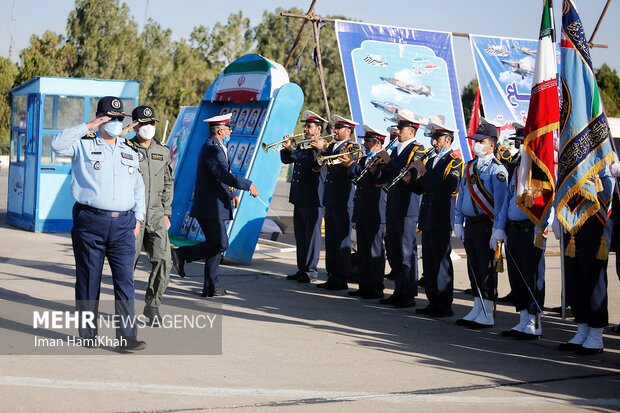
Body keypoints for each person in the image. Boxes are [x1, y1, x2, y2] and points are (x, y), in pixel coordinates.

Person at [50, 96, 146, 351]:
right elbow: (56, 145)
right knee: (88, 278)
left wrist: (139, 218)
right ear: (100, 118)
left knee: (125, 281)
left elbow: (138, 187)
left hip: (124, 224)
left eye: (118, 118)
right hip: (90, 221)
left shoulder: (128, 151)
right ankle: (88, 333)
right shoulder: (82, 146)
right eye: (109, 117)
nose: (114, 122)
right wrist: (88, 126)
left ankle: (127, 337)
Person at [170, 114, 259, 297]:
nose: (231, 131)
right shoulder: (213, 149)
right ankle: (182, 254)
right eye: (228, 128)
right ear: (220, 131)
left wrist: (232, 193)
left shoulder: (217, 147)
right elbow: (221, 173)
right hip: (211, 207)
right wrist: (247, 184)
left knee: (214, 245)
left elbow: (219, 175)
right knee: (220, 243)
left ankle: (211, 286)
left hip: (216, 204)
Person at [553, 164, 615, 354]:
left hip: (594, 221)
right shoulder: (572, 159)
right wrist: (558, 214)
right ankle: (582, 329)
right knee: (574, 276)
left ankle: (596, 333)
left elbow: (607, 191)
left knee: (592, 278)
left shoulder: (602, 166)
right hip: (571, 220)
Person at [494, 136, 548, 340]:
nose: (518, 146)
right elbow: (508, 198)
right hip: (513, 228)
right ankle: (524, 319)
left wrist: (541, 227)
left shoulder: (540, 169)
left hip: (530, 229)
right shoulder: (517, 168)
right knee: (516, 276)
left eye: (522, 142)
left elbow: (547, 201)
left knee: (531, 276)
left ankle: (534, 322)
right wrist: (500, 227)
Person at [454, 122, 508, 328]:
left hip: (488, 225)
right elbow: (462, 198)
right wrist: (458, 222)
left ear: (492, 145)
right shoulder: (469, 167)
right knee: (473, 267)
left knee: (486, 269)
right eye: (475, 141)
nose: (476, 145)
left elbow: (502, 204)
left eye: (481, 141)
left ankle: (487, 311)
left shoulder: (498, 170)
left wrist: (498, 229)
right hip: (471, 225)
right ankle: (477, 306)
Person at [407, 121, 463, 317]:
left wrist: (424, 173)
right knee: (429, 262)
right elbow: (423, 189)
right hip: (428, 217)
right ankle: (432, 301)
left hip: (441, 217)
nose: (433, 142)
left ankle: (444, 304)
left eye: (437, 138)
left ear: (448, 139)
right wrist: (410, 181)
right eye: (433, 138)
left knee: (441, 262)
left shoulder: (454, 160)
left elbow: (448, 188)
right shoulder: (431, 160)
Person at [127, 106, 174, 326]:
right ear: (135, 125)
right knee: (128, 263)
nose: (149, 127)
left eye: (152, 123)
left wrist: (166, 211)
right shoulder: (124, 147)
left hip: (156, 212)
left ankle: (152, 305)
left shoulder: (163, 151)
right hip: (131, 214)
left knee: (164, 259)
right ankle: (125, 307)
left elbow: (168, 182)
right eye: (143, 123)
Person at [376, 113, 426, 308]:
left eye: (401, 129)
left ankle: (409, 292)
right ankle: (398, 289)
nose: (397, 132)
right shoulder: (396, 149)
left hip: (407, 207)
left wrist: (389, 161)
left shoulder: (417, 149)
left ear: (411, 131)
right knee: (394, 250)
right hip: (393, 205)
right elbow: (389, 174)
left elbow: (408, 173)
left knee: (407, 251)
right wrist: (378, 168)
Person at [281, 110, 328, 284]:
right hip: (300, 196)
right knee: (300, 235)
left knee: (312, 236)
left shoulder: (321, 146)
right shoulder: (303, 144)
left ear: (318, 129)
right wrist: (286, 148)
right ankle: (302, 269)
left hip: (314, 197)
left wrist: (290, 148)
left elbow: (309, 160)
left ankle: (310, 271)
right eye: (305, 126)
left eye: (309, 126)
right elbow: (287, 160)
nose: (305, 129)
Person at [342, 125, 389, 299]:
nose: (364, 144)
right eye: (364, 140)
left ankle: (376, 287)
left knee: (375, 251)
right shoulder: (363, 160)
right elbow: (356, 178)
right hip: (362, 210)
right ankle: (364, 286)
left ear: (378, 143)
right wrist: (351, 165)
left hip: (376, 212)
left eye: (368, 141)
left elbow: (376, 181)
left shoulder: (383, 161)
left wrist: (356, 167)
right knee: (363, 251)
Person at [315, 114, 361, 290]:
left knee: (342, 241)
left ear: (348, 131)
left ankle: (341, 277)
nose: (334, 131)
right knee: (332, 240)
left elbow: (352, 172)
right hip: (332, 199)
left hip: (344, 200)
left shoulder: (353, 147)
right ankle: (332, 275)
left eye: (338, 128)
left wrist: (326, 150)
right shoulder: (333, 146)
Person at [497, 122, 526, 305]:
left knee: (529, 267)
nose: (516, 144)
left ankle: (528, 303)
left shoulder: (530, 162)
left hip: (527, 224)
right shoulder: (516, 161)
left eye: (519, 141)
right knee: (514, 262)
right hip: (511, 219)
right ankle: (515, 292)